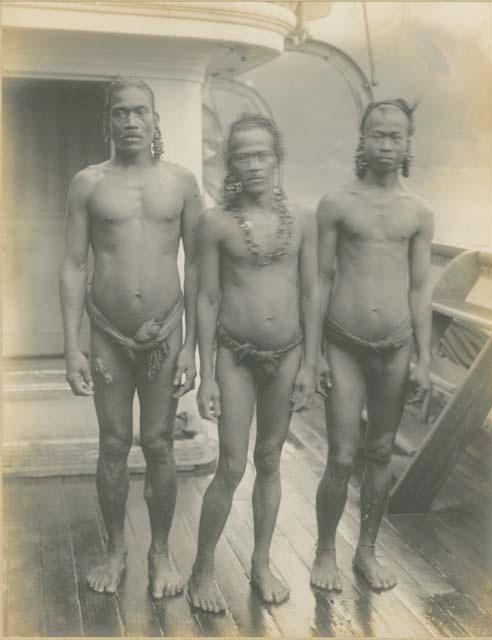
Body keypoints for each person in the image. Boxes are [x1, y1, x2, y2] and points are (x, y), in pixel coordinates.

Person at [59, 76, 201, 598]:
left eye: (141, 111)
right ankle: (115, 549)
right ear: (109, 121)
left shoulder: (182, 183)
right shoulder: (88, 183)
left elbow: (201, 268)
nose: (131, 121)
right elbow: (73, 265)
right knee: (114, 443)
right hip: (108, 333)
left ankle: (160, 554)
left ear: (155, 119)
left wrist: (191, 345)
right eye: (121, 112)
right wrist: (72, 344)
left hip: (166, 332)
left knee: (160, 443)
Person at [187, 113, 320, 612]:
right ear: (231, 163)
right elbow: (205, 300)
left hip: (287, 355)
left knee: (269, 459)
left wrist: (309, 364)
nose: (254, 164)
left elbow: (310, 293)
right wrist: (205, 376)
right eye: (243, 155)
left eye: (262, 154)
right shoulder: (215, 222)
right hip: (235, 355)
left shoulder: (303, 220)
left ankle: (261, 564)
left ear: (277, 158)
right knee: (231, 462)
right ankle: (203, 567)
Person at [311, 99, 433, 592]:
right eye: (377, 134)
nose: (386, 143)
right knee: (342, 457)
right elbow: (319, 279)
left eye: (396, 136)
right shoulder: (337, 203)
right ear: (362, 139)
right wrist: (313, 353)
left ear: (408, 144)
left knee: (380, 452)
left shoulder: (418, 212)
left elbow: (420, 288)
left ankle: (366, 551)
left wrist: (425, 358)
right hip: (344, 345)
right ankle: (324, 552)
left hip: (397, 345)